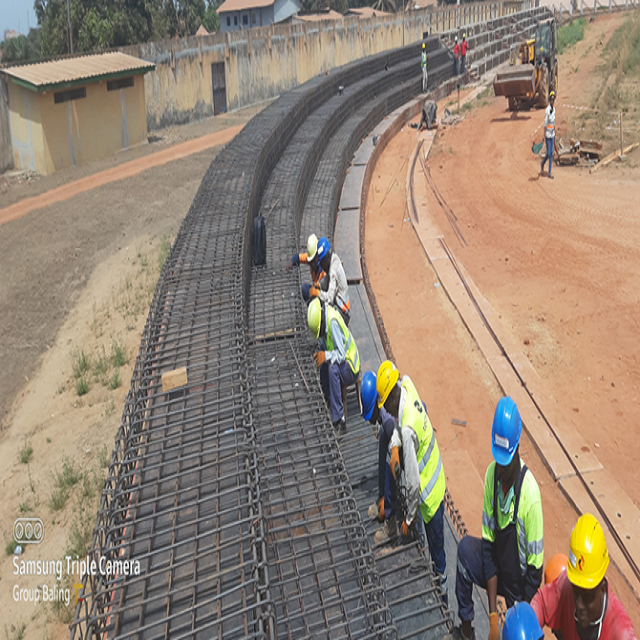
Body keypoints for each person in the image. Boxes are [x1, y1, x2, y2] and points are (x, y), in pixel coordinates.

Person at [453, 396, 544, 640]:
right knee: (464, 552)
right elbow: (488, 547)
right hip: (497, 569)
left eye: (507, 463)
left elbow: (535, 573)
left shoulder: (530, 495)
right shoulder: (492, 476)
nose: (501, 469)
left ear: (516, 449)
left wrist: (514, 618)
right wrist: (493, 616)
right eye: (499, 462)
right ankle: (465, 631)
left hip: (521, 586)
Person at [377, 361, 447, 589]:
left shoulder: (408, 431)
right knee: (434, 550)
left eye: (385, 404)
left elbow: (414, 483)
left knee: (438, 557)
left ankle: (441, 592)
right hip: (437, 478)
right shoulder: (407, 383)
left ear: (391, 398)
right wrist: (394, 445)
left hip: (431, 497)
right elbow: (402, 422)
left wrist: (409, 518)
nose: (385, 410)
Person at [531, 513, 637, 640]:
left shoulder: (620, 632)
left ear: (602, 589)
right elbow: (541, 604)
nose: (579, 604)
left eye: (587, 597)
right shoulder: (566, 587)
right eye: (576, 592)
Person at [307, 297, 360, 437]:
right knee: (325, 362)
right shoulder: (324, 319)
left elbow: (341, 355)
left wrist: (326, 356)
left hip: (351, 367)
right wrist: (321, 355)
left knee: (332, 369)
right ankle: (327, 400)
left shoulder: (332, 322)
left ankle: (339, 420)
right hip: (343, 363)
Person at [361, 370, 399, 544]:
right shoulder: (383, 414)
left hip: (405, 441)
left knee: (391, 464)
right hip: (393, 434)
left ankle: (391, 524)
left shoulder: (389, 421)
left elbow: (395, 468)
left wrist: (389, 503)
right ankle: (382, 497)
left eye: (371, 415)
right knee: (383, 436)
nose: (370, 421)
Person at [313, 236, 351, 326]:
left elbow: (329, 298)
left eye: (321, 263)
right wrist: (319, 285)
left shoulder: (333, 270)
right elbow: (327, 278)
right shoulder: (333, 260)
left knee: (322, 316)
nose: (322, 267)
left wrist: (317, 293)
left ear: (325, 259)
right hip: (339, 306)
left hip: (342, 312)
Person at [286, 233, 326, 301]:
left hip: (324, 296)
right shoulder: (311, 260)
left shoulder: (324, 270)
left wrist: (317, 293)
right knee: (305, 288)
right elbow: (299, 257)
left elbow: (328, 294)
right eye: (310, 262)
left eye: (313, 262)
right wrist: (292, 262)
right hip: (316, 291)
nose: (312, 264)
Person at [541, 91, 556, 179]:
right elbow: (545, 124)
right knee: (549, 153)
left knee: (551, 153)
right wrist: (544, 135)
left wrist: (554, 132)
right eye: (551, 99)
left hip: (552, 134)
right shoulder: (547, 111)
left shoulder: (554, 110)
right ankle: (543, 163)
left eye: (553, 99)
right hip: (547, 135)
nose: (552, 101)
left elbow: (554, 122)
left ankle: (549, 171)